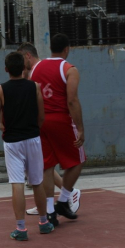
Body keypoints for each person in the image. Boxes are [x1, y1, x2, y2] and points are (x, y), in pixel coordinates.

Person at [0, 51, 54, 241]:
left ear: (6, 69)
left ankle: (21, 228)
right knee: (37, 182)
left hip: (12, 141)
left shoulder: (0, 90)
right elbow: (41, 116)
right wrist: (34, 131)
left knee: (17, 183)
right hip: (32, 138)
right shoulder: (35, 87)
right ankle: (44, 223)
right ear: (24, 69)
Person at [17, 42, 81, 216]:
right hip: (40, 123)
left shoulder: (39, 70)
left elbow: (70, 99)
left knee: (45, 166)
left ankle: (60, 199)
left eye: (22, 59)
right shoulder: (34, 72)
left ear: (28, 56)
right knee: (44, 165)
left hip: (43, 122)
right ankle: (54, 203)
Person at [29, 34, 86, 227]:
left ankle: (50, 213)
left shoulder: (36, 67)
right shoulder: (69, 69)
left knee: (47, 167)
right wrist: (79, 127)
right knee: (78, 161)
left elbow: (32, 93)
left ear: (50, 47)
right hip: (60, 120)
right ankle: (63, 200)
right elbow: (72, 100)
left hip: (40, 121)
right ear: (67, 49)